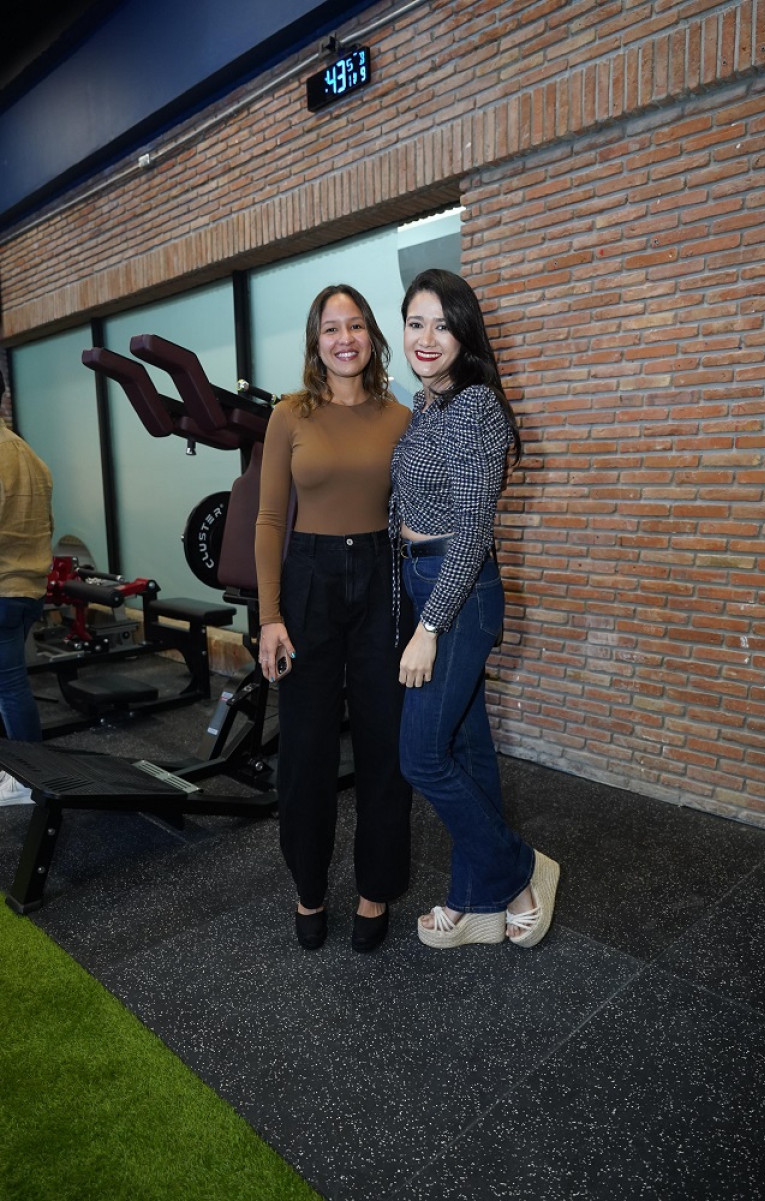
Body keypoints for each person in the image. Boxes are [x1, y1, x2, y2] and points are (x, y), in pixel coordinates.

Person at [391, 268, 559, 949]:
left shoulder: (475, 406)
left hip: (455, 594)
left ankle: (519, 870)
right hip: (423, 582)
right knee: (466, 746)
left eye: (442, 324)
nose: (426, 338)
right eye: (414, 323)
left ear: (464, 333)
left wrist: (428, 628)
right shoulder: (425, 404)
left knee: (421, 757)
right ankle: (475, 897)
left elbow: (469, 529)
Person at [255, 284, 412, 953]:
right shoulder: (290, 414)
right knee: (306, 750)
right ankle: (309, 888)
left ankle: (376, 892)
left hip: (381, 578)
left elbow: (414, 514)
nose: (344, 338)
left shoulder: (401, 417)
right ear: (315, 343)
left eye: (354, 325)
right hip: (309, 584)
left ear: (372, 336)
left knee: (385, 747)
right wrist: (269, 617)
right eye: (329, 329)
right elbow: (268, 521)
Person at [0, 369, 54, 806]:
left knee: (10, 686)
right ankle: (19, 772)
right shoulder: (28, 454)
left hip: (1, 590)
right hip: (27, 589)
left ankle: (30, 779)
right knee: (8, 685)